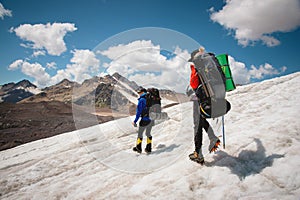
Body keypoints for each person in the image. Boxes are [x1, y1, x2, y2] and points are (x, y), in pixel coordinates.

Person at [188, 47, 221, 164]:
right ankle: (212, 137)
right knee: (201, 120)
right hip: (211, 97)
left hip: (200, 99)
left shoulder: (197, 64)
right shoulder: (210, 63)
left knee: (197, 124)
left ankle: (198, 153)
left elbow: (194, 83)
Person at [132, 86, 153, 153]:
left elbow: (139, 112)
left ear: (143, 92)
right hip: (151, 119)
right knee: (148, 133)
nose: (139, 94)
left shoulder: (141, 100)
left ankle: (138, 147)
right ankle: (149, 148)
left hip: (144, 119)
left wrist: (135, 121)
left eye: (140, 92)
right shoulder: (151, 99)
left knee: (140, 134)